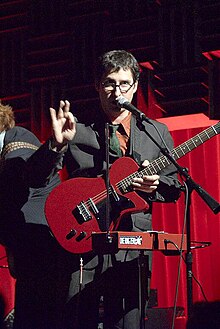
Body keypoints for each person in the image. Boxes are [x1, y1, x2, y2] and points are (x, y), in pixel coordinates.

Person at [47, 49, 182, 329]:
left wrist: (155, 185)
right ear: (97, 86)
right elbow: (41, 178)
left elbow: (174, 186)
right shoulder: (78, 129)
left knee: (128, 323)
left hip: (134, 245)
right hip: (85, 241)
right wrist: (56, 145)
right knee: (78, 319)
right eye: (109, 83)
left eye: (123, 83)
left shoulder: (156, 132)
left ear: (134, 87)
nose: (116, 90)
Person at [0, 100, 76, 329]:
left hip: (46, 251)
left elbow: (32, 173)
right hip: (30, 258)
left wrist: (54, 145)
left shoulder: (16, 139)